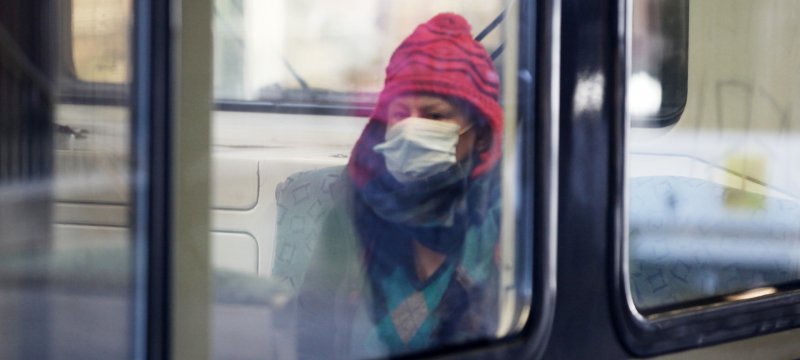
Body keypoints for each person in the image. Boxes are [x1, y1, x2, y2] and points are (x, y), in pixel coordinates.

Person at [294, 12, 504, 359]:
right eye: (400, 114)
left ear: (479, 134)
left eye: (435, 116)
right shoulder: (353, 207)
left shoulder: (505, 222)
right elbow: (312, 329)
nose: (412, 128)